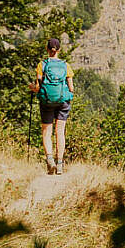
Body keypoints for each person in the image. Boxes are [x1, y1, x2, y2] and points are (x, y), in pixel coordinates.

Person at [29, 37, 74, 175]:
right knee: (60, 131)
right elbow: (71, 88)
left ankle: (50, 161)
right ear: (59, 50)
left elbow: (38, 87)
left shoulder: (41, 65)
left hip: (46, 102)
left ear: (47, 49)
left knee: (46, 132)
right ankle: (60, 164)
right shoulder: (66, 66)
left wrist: (32, 88)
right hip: (62, 102)